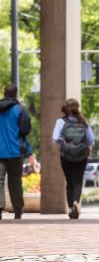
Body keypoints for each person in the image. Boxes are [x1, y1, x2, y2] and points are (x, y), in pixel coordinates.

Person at [52, 98, 94, 220]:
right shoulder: (83, 121)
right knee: (78, 181)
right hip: (81, 156)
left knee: (69, 182)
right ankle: (76, 202)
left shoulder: (61, 121)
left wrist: (64, 143)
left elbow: (55, 138)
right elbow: (91, 140)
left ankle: (70, 208)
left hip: (66, 156)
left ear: (65, 108)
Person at [0, 84, 32, 220]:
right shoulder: (20, 110)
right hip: (15, 151)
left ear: (4, 93)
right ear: (15, 94)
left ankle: (0, 208)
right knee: (15, 182)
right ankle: (18, 210)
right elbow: (25, 130)